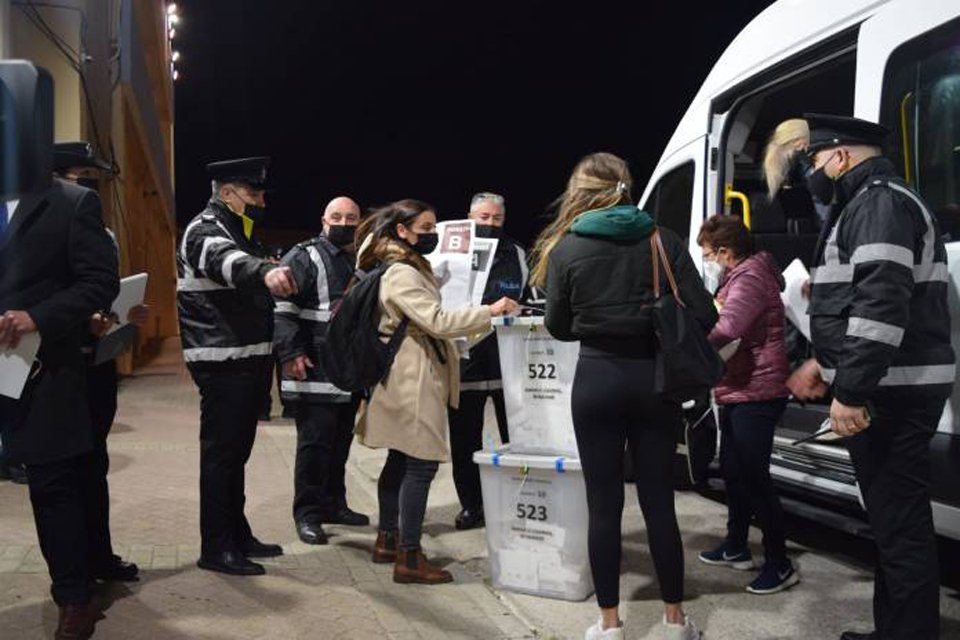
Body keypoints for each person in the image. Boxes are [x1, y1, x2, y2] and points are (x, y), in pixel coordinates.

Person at [786, 114, 954, 640]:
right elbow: (862, 296)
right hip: (890, 382)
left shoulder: (878, 201)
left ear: (840, 156)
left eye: (814, 160)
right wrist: (823, 361)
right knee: (889, 521)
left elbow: (882, 302)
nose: (812, 171)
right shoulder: (869, 202)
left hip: (892, 391)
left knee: (899, 525)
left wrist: (853, 390)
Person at [535, 152, 715, 640]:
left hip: (596, 380)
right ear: (626, 187)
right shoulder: (662, 240)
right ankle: (674, 620)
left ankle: (610, 624)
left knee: (603, 504)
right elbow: (704, 313)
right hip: (654, 381)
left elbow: (559, 327)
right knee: (660, 502)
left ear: (579, 191)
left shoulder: (567, 249)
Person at [354, 199, 518, 584]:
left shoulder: (401, 266)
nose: (433, 235)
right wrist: (489, 312)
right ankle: (409, 557)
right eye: (425, 228)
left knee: (399, 460)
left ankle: (387, 540)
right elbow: (437, 321)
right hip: (413, 377)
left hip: (407, 373)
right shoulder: (402, 273)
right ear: (402, 231)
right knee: (420, 464)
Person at [0, 173, 120, 638]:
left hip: (43, 371)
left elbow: (99, 282)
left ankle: (74, 597)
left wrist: (37, 317)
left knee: (52, 486)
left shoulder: (71, 202)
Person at [177, 157, 298, 576]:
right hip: (221, 361)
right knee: (221, 457)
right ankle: (216, 546)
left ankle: (236, 533)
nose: (261, 200)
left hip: (246, 358)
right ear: (227, 193)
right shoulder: (205, 228)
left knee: (236, 456)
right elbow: (227, 262)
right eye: (254, 193)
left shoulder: (239, 229)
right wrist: (265, 271)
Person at [54, 141, 147, 583]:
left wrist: (124, 317)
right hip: (57, 366)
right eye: (80, 176)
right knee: (64, 474)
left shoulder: (101, 230)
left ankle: (99, 557)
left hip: (97, 366)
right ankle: (75, 574)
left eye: (94, 178)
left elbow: (102, 289)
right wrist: (82, 320)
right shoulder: (37, 229)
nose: (91, 186)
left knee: (95, 466)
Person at [694, 214, 798, 595]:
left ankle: (780, 562)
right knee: (734, 471)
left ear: (725, 250)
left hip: (759, 390)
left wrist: (689, 348)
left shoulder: (750, 277)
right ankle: (737, 545)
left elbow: (728, 328)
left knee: (755, 476)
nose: (708, 261)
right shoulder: (738, 276)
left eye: (708, 254)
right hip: (738, 387)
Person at [273, 195, 369, 546]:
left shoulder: (361, 257)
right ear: (323, 220)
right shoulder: (303, 256)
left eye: (352, 217)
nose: (345, 223)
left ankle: (333, 504)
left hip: (347, 371)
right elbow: (282, 308)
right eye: (337, 216)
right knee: (314, 446)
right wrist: (291, 353)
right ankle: (308, 514)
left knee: (340, 444)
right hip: (311, 368)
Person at [447, 191, 528, 530]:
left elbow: (530, 298)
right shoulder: (452, 254)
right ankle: (472, 506)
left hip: (509, 366)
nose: (490, 224)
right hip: (466, 363)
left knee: (519, 439)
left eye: (496, 219)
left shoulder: (518, 254)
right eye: (483, 218)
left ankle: (518, 504)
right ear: (469, 217)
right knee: (465, 441)